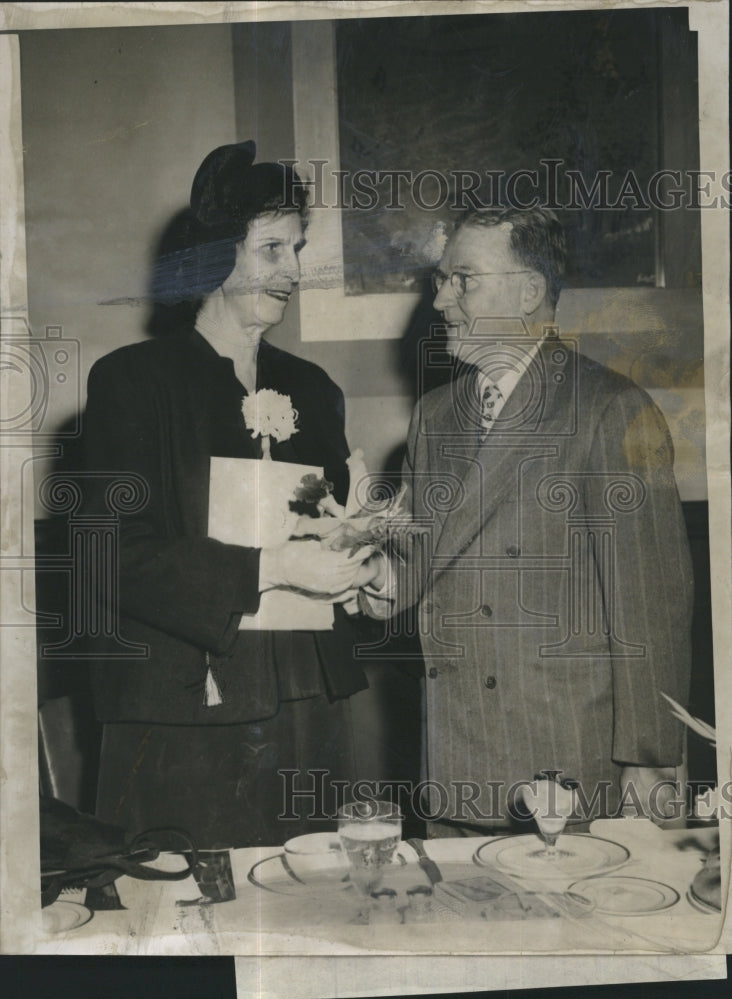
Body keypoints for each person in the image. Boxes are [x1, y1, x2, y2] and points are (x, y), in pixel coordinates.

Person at [362, 207, 693, 834]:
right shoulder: (436, 415)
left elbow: (651, 601)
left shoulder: (610, 409)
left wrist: (649, 758)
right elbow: (417, 569)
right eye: (441, 280)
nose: (439, 301)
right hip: (455, 763)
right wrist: (366, 564)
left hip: (566, 763)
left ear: (529, 290)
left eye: (463, 280)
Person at [82, 141, 373, 848]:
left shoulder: (313, 389)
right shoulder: (133, 381)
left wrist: (363, 562)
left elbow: (332, 530)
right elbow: (113, 556)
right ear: (217, 255)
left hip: (306, 710)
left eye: (298, 249)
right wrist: (269, 567)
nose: (295, 271)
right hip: (180, 717)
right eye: (272, 249)